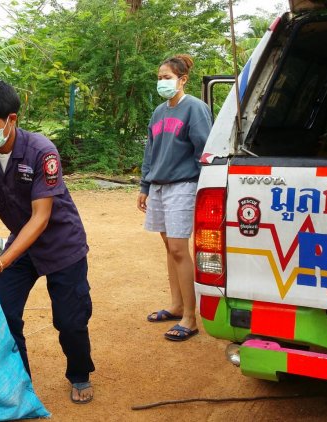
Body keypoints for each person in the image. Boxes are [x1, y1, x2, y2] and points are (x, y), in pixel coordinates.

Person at [0, 77, 95, 404]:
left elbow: (41, 217)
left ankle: (79, 372)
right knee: (5, 313)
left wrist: (2, 261)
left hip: (61, 246)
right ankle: (20, 381)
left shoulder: (41, 151)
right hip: (21, 247)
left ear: (12, 119)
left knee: (70, 320)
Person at [137, 54, 212, 342]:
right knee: (170, 247)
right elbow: (150, 151)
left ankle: (190, 318)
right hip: (158, 186)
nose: (162, 82)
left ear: (183, 80)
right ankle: (176, 305)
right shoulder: (159, 112)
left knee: (180, 249)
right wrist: (144, 185)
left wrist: (203, 186)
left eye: (167, 77)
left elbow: (204, 151)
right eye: (160, 77)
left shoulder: (195, 108)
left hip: (184, 185)